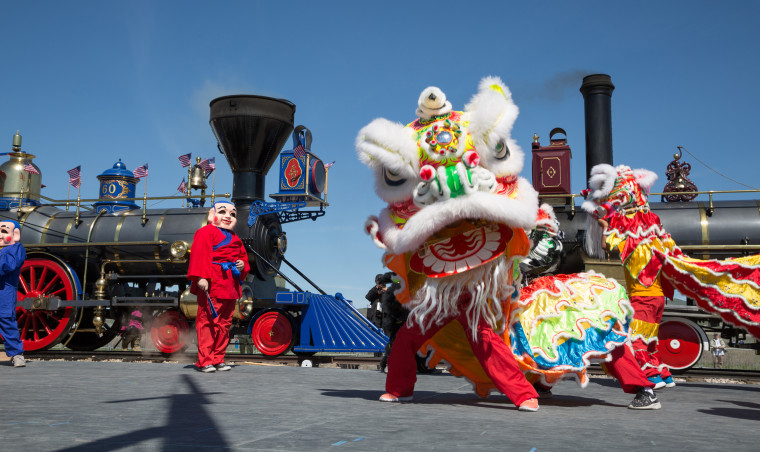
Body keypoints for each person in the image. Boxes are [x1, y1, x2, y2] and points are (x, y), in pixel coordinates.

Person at [582, 164, 677, 390]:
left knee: (636, 342)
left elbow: (607, 247)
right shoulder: (654, 237)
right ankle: (665, 375)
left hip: (642, 297)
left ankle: (650, 378)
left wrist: (605, 225)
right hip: (658, 298)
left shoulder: (632, 237)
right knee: (651, 340)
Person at [187, 201, 250, 373]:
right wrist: (201, 277)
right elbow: (200, 254)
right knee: (207, 321)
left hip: (230, 284)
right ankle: (205, 360)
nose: (228, 216)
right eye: (223, 212)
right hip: (213, 282)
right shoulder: (205, 232)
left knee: (224, 323)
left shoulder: (236, 237)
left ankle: (218, 358)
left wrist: (242, 265)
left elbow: (243, 258)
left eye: (233, 214)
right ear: (211, 214)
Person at [0, 220, 26, 368]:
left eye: (4, 231)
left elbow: (7, 266)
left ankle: (17, 354)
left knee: (5, 319)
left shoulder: (16, 249)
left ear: (15, 234)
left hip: (4, 290)